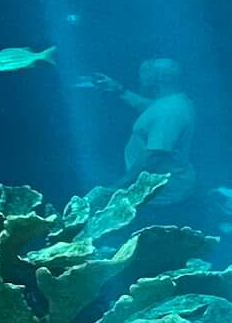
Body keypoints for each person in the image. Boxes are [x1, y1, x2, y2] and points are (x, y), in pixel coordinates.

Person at [82, 58, 199, 212]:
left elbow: (154, 156)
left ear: (158, 79)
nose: (140, 76)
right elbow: (149, 108)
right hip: (162, 188)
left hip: (161, 195)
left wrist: (115, 189)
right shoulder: (172, 101)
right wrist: (119, 89)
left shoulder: (169, 112)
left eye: (145, 71)